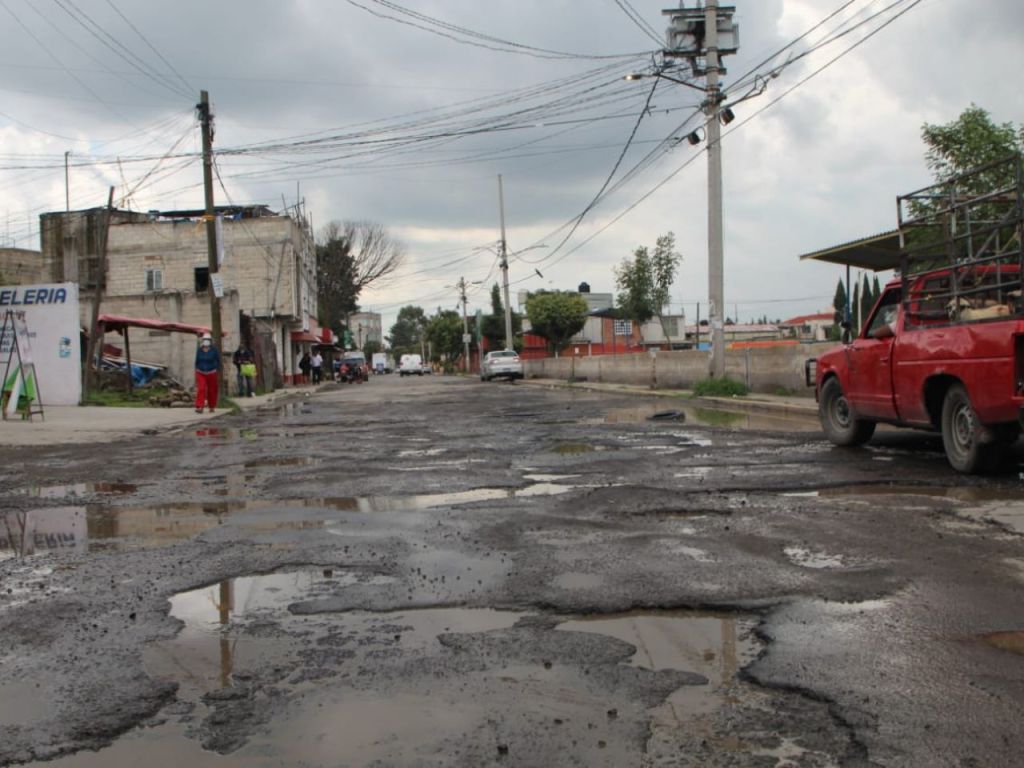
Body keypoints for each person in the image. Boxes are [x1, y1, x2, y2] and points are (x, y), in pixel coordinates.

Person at [194, 332, 221, 413]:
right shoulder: (199, 350)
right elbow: (197, 361)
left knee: (212, 390)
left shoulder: (214, 350)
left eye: (208, 340)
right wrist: (196, 369)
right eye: (205, 340)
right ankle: (200, 406)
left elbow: (218, 361)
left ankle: (212, 406)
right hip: (200, 372)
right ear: (203, 340)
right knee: (201, 388)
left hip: (211, 372)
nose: (206, 341)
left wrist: (216, 368)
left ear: (210, 340)